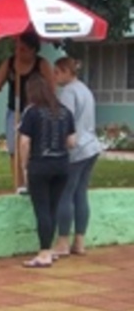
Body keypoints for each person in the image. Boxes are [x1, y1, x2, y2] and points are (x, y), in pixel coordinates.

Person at [0, 28, 54, 192]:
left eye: (23, 50)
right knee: (14, 150)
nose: (19, 52)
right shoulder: (10, 63)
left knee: (33, 150)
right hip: (14, 112)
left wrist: (51, 111)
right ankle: (18, 185)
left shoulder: (42, 65)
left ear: (33, 50)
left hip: (36, 113)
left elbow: (52, 90)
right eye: (17, 48)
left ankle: (33, 183)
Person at [18, 73, 76, 268]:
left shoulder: (31, 112)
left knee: (41, 209)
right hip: (62, 166)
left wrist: (24, 166)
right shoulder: (65, 112)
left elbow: (25, 142)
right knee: (52, 207)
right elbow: (72, 142)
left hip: (40, 165)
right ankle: (49, 250)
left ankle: (43, 253)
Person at [52, 57, 101, 257]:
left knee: (65, 193)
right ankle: (79, 241)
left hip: (76, 149)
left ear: (66, 71)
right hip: (91, 146)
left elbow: (66, 121)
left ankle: (63, 240)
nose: (54, 77)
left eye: (57, 72)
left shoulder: (68, 93)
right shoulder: (85, 90)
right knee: (80, 193)